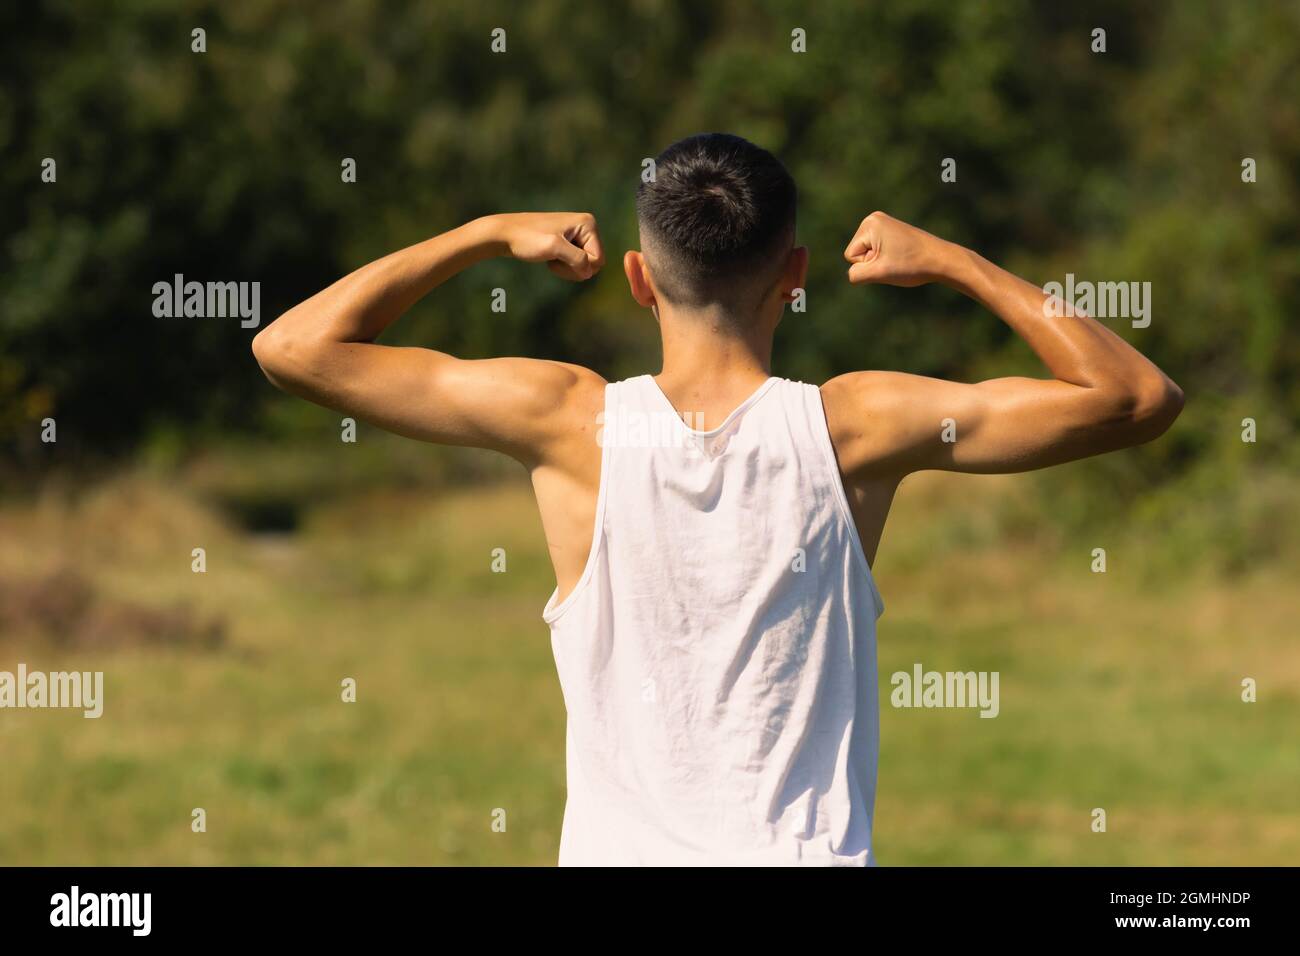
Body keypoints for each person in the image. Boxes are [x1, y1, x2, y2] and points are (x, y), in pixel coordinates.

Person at [252, 133, 1183, 865]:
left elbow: (293, 350)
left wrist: (486, 233)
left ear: (637, 279)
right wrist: (957, 263)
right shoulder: (858, 427)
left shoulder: (566, 420)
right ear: (798, 275)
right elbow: (1135, 400)